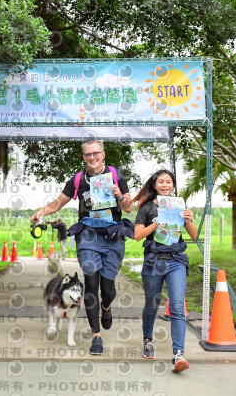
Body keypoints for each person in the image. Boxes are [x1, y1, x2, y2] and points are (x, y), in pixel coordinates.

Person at [30, 138, 134, 355]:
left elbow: (129, 208)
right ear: (84, 157)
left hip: (112, 236)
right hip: (88, 236)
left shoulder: (116, 175)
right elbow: (59, 202)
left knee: (107, 289)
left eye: (96, 153)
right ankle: (96, 336)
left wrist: (119, 195)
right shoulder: (79, 179)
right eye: (88, 154)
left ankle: (106, 306)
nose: (92, 157)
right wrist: (42, 212)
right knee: (91, 283)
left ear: (103, 155)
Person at [132, 169, 198, 372]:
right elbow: (137, 235)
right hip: (154, 261)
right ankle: (148, 339)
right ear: (154, 185)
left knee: (177, 306)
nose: (165, 185)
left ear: (173, 185)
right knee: (152, 305)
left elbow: (194, 235)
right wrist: (156, 223)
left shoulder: (179, 205)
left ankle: (178, 354)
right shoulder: (146, 207)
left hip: (176, 261)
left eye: (168, 182)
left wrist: (188, 220)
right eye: (161, 182)